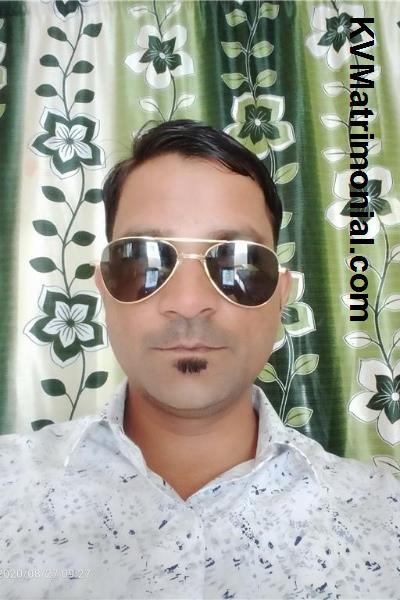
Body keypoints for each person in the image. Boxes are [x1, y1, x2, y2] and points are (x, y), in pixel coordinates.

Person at [0, 120, 398, 600]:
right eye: (143, 261)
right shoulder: (9, 489)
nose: (188, 303)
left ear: (280, 296)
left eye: (237, 263)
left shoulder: (385, 521)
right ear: (104, 288)